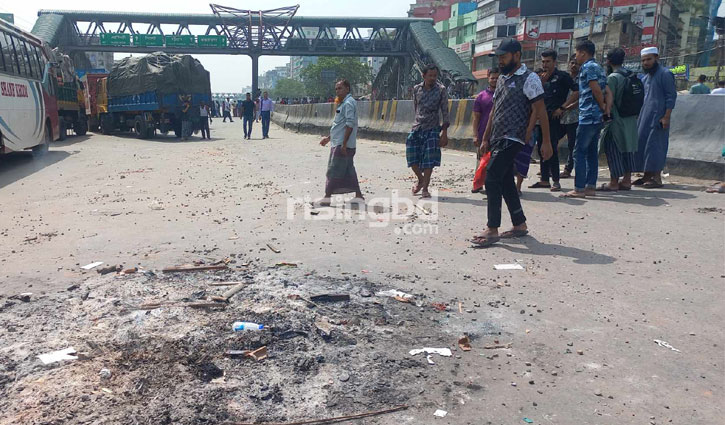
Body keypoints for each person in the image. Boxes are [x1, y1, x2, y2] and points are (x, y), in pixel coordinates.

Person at [472, 38, 552, 247]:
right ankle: (519, 224)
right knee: (506, 180)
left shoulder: (529, 78)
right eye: (498, 57)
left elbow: (541, 110)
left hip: (514, 137)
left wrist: (546, 142)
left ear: (516, 55)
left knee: (491, 177)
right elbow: (495, 111)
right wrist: (486, 138)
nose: (500, 61)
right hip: (498, 137)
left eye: (503, 56)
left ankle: (492, 228)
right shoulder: (502, 79)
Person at [561, 40, 608, 199]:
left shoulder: (587, 68)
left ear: (583, 52)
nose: (576, 57)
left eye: (577, 53)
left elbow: (595, 89)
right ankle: (590, 187)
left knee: (579, 151)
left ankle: (579, 188)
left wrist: (601, 106)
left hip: (588, 115)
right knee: (591, 152)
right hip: (596, 117)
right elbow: (603, 90)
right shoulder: (599, 67)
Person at [528, 49, 574, 192]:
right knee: (541, 146)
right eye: (543, 61)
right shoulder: (537, 76)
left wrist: (563, 107)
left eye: (548, 61)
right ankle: (544, 179)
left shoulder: (562, 77)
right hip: (539, 118)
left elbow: (577, 91)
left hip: (554, 118)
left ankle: (556, 180)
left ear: (555, 62)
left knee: (551, 147)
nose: (545, 64)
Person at [633, 47, 677, 189]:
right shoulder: (646, 77)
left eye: (649, 59)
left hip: (659, 117)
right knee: (644, 145)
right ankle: (646, 176)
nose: (646, 63)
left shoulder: (665, 74)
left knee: (656, 147)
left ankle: (657, 178)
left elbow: (671, 96)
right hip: (645, 116)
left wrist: (666, 116)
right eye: (643, 60)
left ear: (656, 58)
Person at [597, 48, 639, 192]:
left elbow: (608, 100)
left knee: (613, 149)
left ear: (608, 61)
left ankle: (614, 182)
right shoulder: (631, 74)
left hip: (616, 120)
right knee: (629, 149)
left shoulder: (612, 78)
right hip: (631, 120)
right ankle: (627, 180)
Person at [316, 79, 363, 206]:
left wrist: (344, 144)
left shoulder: (348, 103)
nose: (337, 91)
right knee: (349, 170)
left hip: (342, 145)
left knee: (333, 170)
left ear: (347, 88)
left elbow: (349, 124)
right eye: (336, 89)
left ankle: (327, 198)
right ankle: (359, 196)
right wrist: (328, 138)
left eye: (340, 88)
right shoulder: (343, 103)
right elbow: (339, 126)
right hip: (339, 142)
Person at [407, 64, 450, 199]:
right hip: (417, 127)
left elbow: (445, 111)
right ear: (423, 76)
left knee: (429, 160)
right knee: (411, 157)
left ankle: (425, 188)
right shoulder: (416, 89)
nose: (432, 78)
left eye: (435, 76)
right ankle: (420, 179)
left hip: (432, 129)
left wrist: (444, 132)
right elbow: (416, 107)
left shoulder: (441, 90)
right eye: (430, 76)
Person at [471, 68, 500, 193]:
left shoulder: (504, 94)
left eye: (497, 78)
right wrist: (475, 135)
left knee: (495, 163)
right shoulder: (481, 97)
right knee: (481, 162)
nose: (494, 80)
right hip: (483, 135)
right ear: (488, 78)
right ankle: (478, 184)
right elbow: (476, 118)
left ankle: (492, 186)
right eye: (493, 77)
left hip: (499, 135)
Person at [560, 58, 581, 178]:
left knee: (572, 144)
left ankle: (568, 168)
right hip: (563, 116)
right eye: (572, 63)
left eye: (576, 63)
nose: (574, 65)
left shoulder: (582, 79)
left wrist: (567, 107)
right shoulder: (565, 79)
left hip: (575, 116)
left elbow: (580, 97)